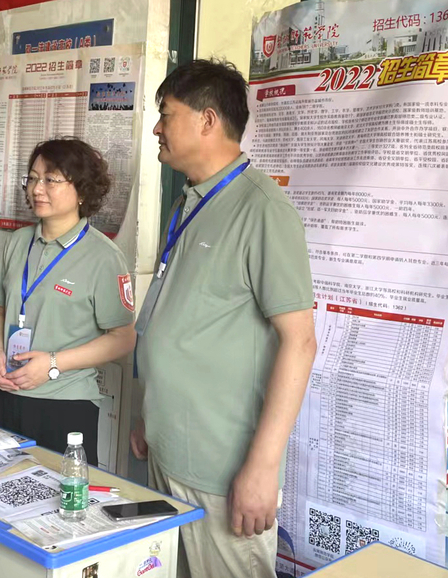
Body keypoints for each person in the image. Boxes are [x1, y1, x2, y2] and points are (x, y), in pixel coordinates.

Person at [130, 59, 316, 578]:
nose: (157, 128)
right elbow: (180, 320)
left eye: (166, 115)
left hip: (221, 469)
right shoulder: (188, 203)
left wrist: (262, 467)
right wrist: (149, 413)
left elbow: (300, 342)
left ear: (207, 120)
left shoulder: (262, 209)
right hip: (168, 449)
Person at [0, 137, 136, 463]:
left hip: (64, 402)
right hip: (5, 392)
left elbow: (123, 338)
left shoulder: (103, 257)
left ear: (82, 191)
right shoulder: (18, 242)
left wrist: (53, 363)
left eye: (51, 180)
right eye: (32, 178)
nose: (37, 189)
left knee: (60, 491)